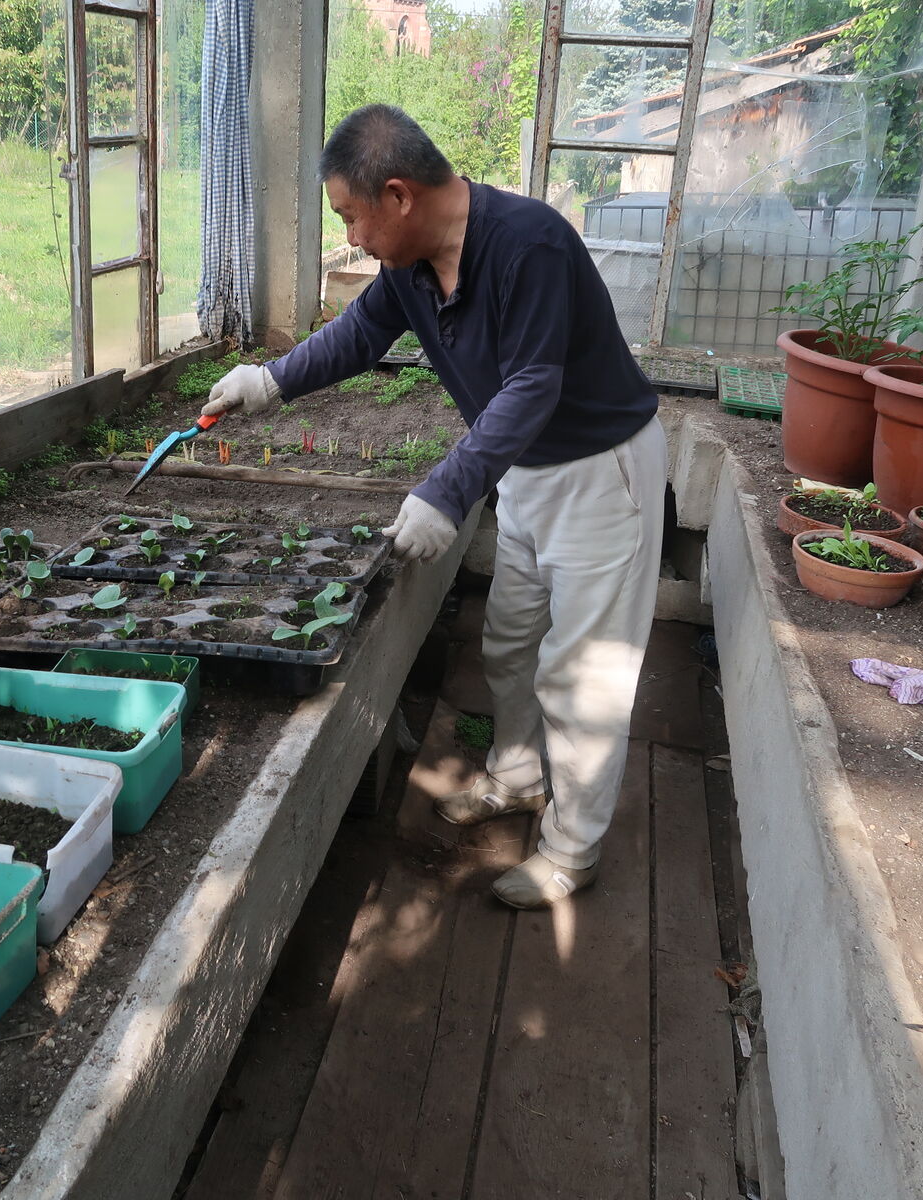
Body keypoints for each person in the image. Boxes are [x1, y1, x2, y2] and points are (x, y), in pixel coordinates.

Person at [202, 104, 665, 910]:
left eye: (351, 216)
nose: (351, 237)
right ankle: (518, 777)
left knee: (582, 678)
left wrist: (446, 490)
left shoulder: (532, 245)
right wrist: (267, 382)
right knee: (513, 640)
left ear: (398, 195)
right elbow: (357, 337)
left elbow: (531, 386)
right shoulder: (412, 271)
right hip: (524, 471)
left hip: (599, 476)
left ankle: (572, 852)